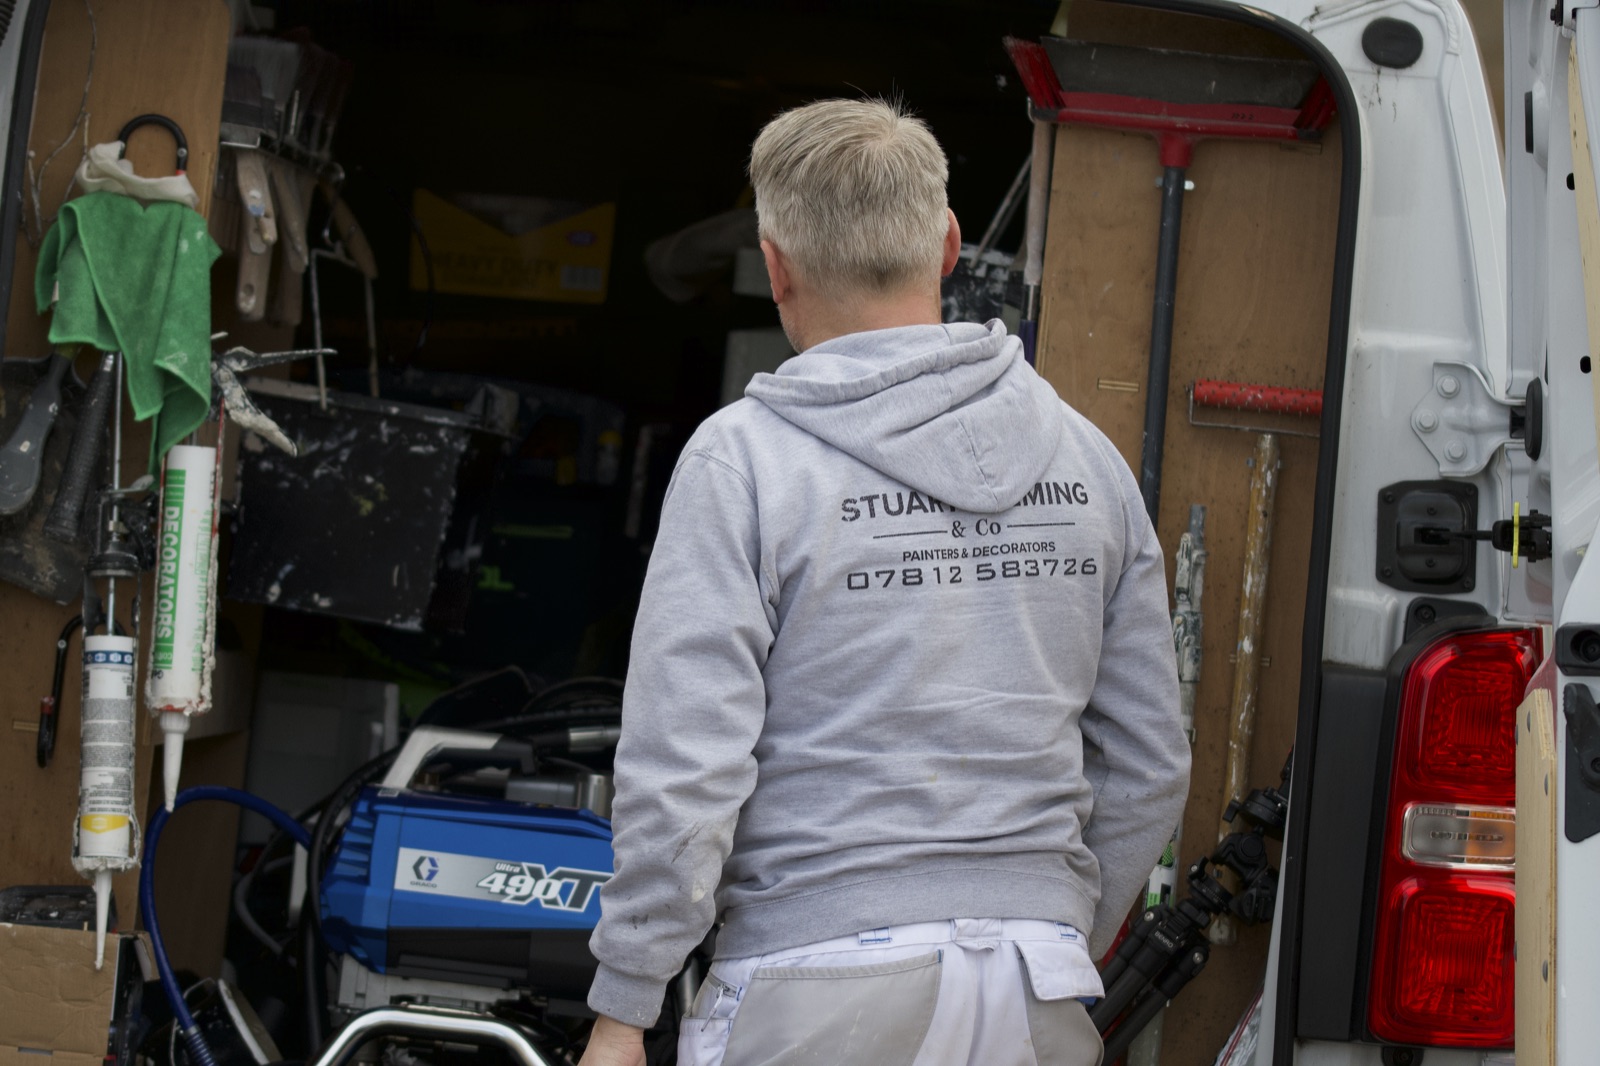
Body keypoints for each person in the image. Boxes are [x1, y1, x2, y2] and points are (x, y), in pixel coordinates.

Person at [579, 97, 1188, 1066]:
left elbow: (687, 762)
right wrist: (1057, 922)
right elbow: (1150, 761)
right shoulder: (1085, 456)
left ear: (774, 264)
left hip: (812, 969)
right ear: (947, 243)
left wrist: (624, 1007)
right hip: (1033, 981)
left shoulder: (746, 459)